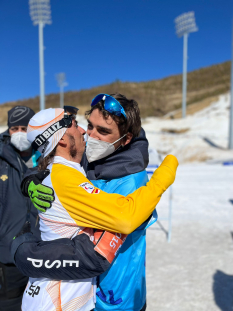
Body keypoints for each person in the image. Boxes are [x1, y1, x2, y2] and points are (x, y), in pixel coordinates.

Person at [12, 95, 178, 311]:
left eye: (104, 131)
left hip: (115, 298)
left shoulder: (130, 178)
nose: (90, 135)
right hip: (75, 295)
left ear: (125, 140)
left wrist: (28, 254)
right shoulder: (85, 159)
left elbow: (125, 221)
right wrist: (30, 179)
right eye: (89, 126)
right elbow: (54, 155)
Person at [0, 106, 41, 311]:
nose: (19, 133)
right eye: (14, 128)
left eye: (24, 127)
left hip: (42, 254)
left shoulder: (47, 156)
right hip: (7, 256)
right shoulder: (1, 158)